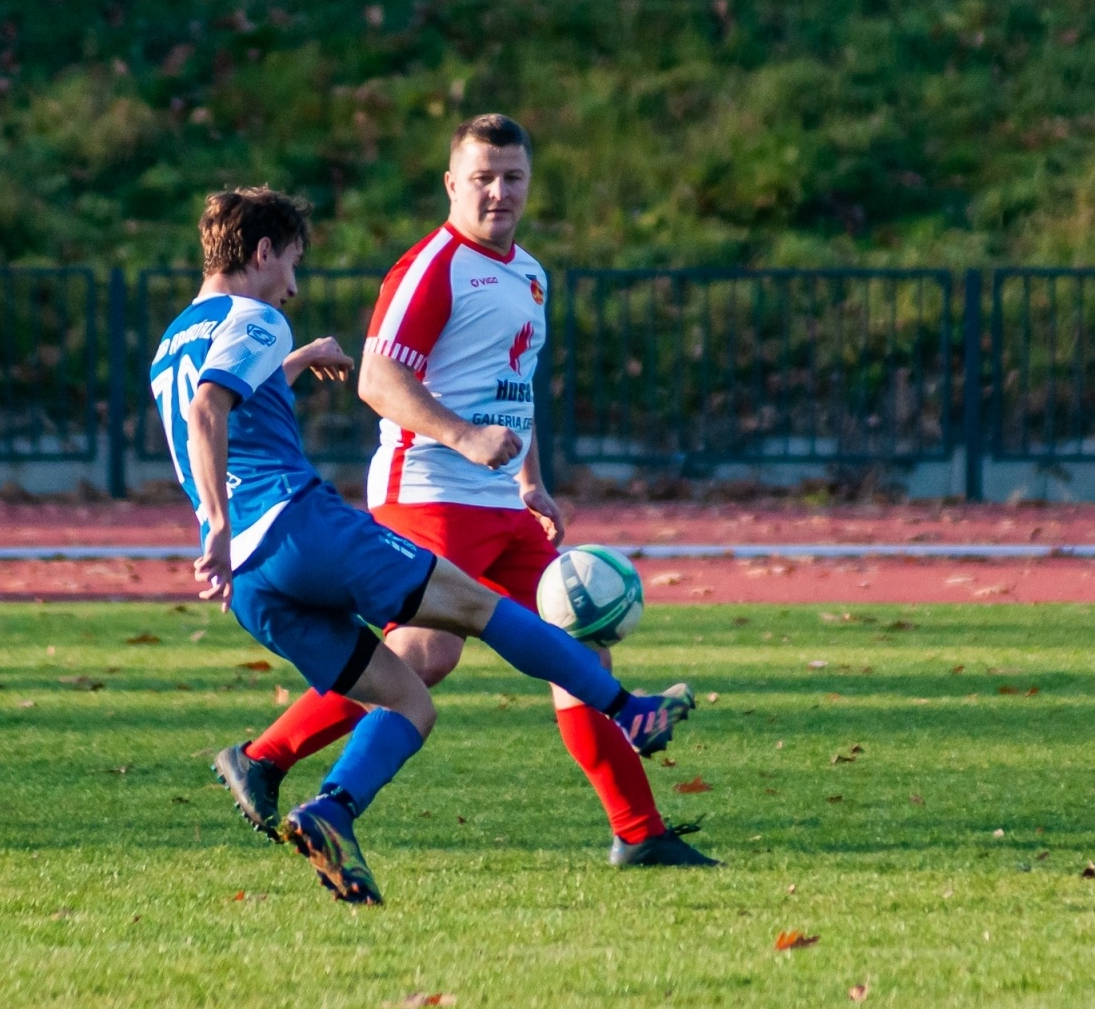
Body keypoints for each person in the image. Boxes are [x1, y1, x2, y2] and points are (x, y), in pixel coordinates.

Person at [153, 186, 696, 905]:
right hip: (299, 528)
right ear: (261, 252)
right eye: (292, 263)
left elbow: (224, 399)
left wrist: (298, 362)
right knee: (476, 609)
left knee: (410, 700)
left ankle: (331, 812)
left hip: (252, 582)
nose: (294, 285)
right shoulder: (255, 316)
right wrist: (221, 523)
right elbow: (208, 410)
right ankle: (629, 710)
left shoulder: (172, 341)